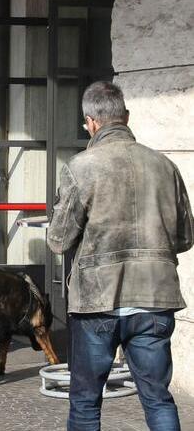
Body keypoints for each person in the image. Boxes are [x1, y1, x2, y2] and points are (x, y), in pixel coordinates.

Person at [46, 82, 192, 431]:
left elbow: (58, 240)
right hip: (154, 297)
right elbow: (185, 237)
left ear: (91, 122)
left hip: (98, 300)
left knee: (85, 403)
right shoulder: (165, 165)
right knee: (158, 399)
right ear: (125, 116)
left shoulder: (80, 167)